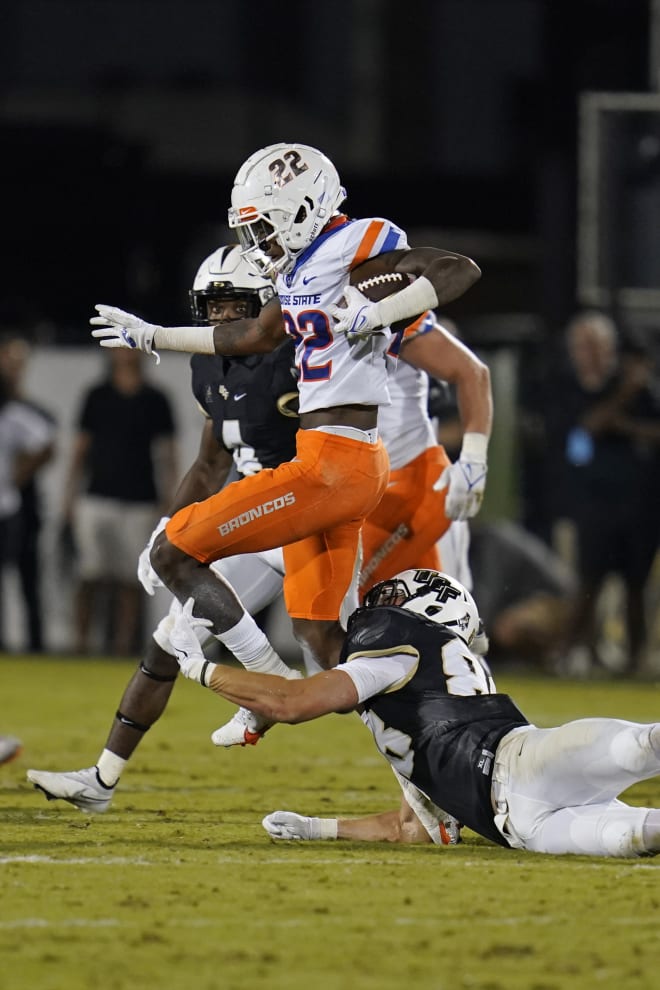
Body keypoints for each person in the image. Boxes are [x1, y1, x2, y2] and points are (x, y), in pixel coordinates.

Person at [26, 243, 491, 810]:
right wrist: (168, 524)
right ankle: (102, 778)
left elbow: (352, 388)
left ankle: (432, 782)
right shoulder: (209, 367)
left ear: (270, 301)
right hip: (263, 509)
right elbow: (210, 461)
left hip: (302, 505)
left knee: (333, 660)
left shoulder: (300, 345)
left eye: (235, 303)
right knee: (170, 640)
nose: (223, 316)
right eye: (214, 305)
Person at [89, 141, 483, 680]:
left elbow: (456, 270)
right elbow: (252, 334)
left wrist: (380, 313)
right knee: (322, 635)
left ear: (302, 211)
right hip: (344, 463)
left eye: (262, 227)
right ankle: (425, 712)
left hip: (334, 463)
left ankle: (267, 681)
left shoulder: (354, 245)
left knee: (173, 551)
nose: (256, 242)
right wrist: (154, 334)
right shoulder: (301, 272)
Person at [168, 569, 660, 858]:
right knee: (637, 829)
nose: (381, 603)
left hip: (523, 771)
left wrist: (199, 668)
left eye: (397, 597)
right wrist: (317, 827)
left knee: (641, 748)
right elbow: (419, 828)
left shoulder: (402, 651)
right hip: (519, 826)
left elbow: (290, 703)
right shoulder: (419, 701)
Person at [544, 311, 660, 674]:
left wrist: (621, 421)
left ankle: (635, 659)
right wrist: (625, 399)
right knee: (588, 580)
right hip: (589, 502)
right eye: (583, 346)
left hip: (638, 502)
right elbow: (587, 427)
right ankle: (571, 652)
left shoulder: (639, 389)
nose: (590, 354)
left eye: (597, 346)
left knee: (636, 584)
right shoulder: (567, 387)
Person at [62, 347, 178, 655]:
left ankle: (121, 646)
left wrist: (171, 502)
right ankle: (80, 643)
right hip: (96, 495)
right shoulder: (97, 395)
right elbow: (80, 449)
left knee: (130, 579)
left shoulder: (156, 399)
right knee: (89, 575)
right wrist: (69, 497)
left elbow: (167, 454)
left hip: (140, 498)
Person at [0, 334, 57, 652]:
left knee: (27, 575)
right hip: (11, 501)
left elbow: (45, 443)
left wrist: (17, 477)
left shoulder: (22, 410)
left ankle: (35, 644)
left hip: (20, 503)